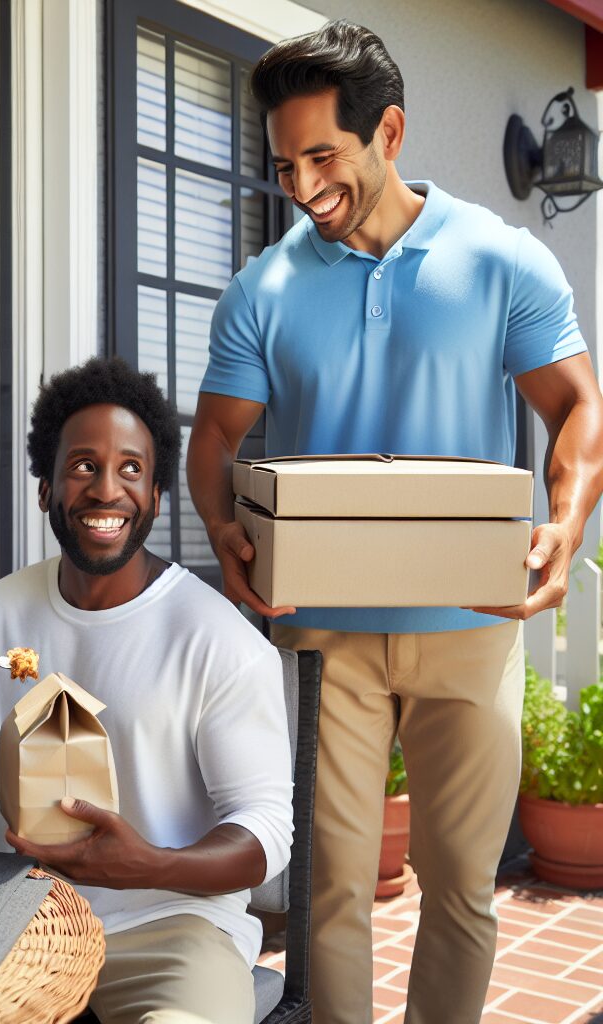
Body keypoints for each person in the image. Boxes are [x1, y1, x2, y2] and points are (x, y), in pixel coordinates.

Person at [186, 20, 603, 1024]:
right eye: (285, 163)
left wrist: (563, 522)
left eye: (323, 156)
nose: (300, 184)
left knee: (461, 890)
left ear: (390, 132)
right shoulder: (263, 289)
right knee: (330, 889)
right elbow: (212, 444)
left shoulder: (502, 260)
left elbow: (579, 407)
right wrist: (227, 533)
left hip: (472, 626)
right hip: (326, 632)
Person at [0, 357, 294, 1024]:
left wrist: (148, 866)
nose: (106, 490)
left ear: (157, 496)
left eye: (131, 469)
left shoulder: (219, 641)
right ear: (46, 490)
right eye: (83, 466)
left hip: (172, 931)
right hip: (18, 919)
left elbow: (264, 836)